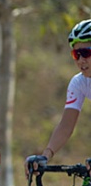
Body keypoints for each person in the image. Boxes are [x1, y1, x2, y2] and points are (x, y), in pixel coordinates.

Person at [26, 19, 91, 175]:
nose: (81, 60)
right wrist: (45, 155)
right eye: (76, 54)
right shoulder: (79, 83)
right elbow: (66, 126)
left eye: (87, 53)